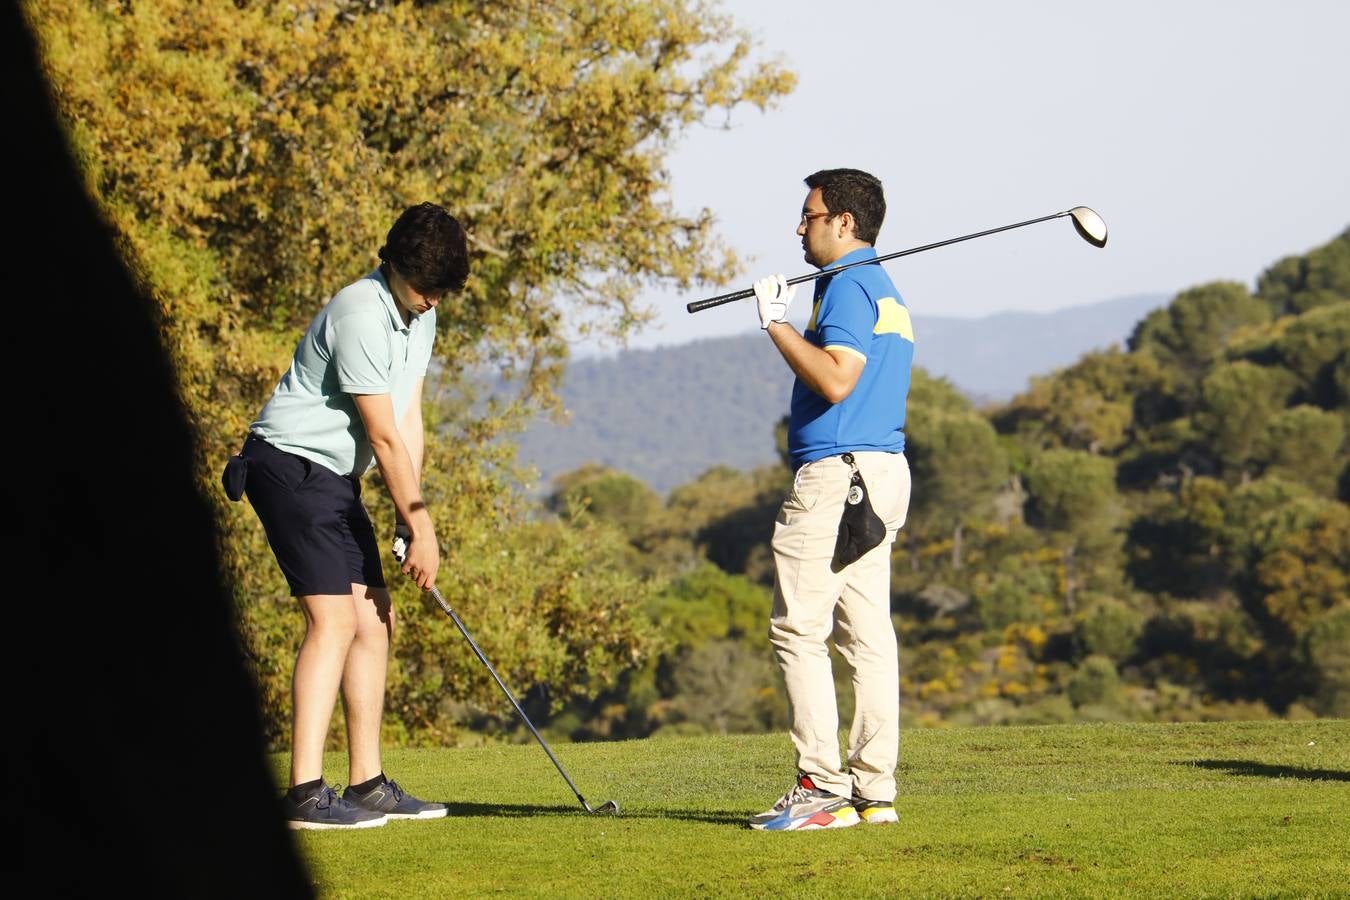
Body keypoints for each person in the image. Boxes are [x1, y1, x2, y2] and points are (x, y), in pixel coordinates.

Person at [230, 202, 469, 829]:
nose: (434, 302)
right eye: (427, 288)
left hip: (334, 478)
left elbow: (410, 421)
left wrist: (406, 512)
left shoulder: (419, 318)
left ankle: (367, 785)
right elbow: (382, 435)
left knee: (374, 620)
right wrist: (422, 526)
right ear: (394, 267)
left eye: (442, 292)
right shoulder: (359, 312)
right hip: (286, 466)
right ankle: (304, 793)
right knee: (333, 620)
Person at [747, 169, 914, 831]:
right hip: (881, 473)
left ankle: (820, 787)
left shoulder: (847, 286)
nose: (799, 226)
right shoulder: (884, 288)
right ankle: (874, 792)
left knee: (799, 629)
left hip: (837, 479)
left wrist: (776, 325)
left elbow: (838, 379)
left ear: (844, 222)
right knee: (866, 637)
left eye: (809, 216)